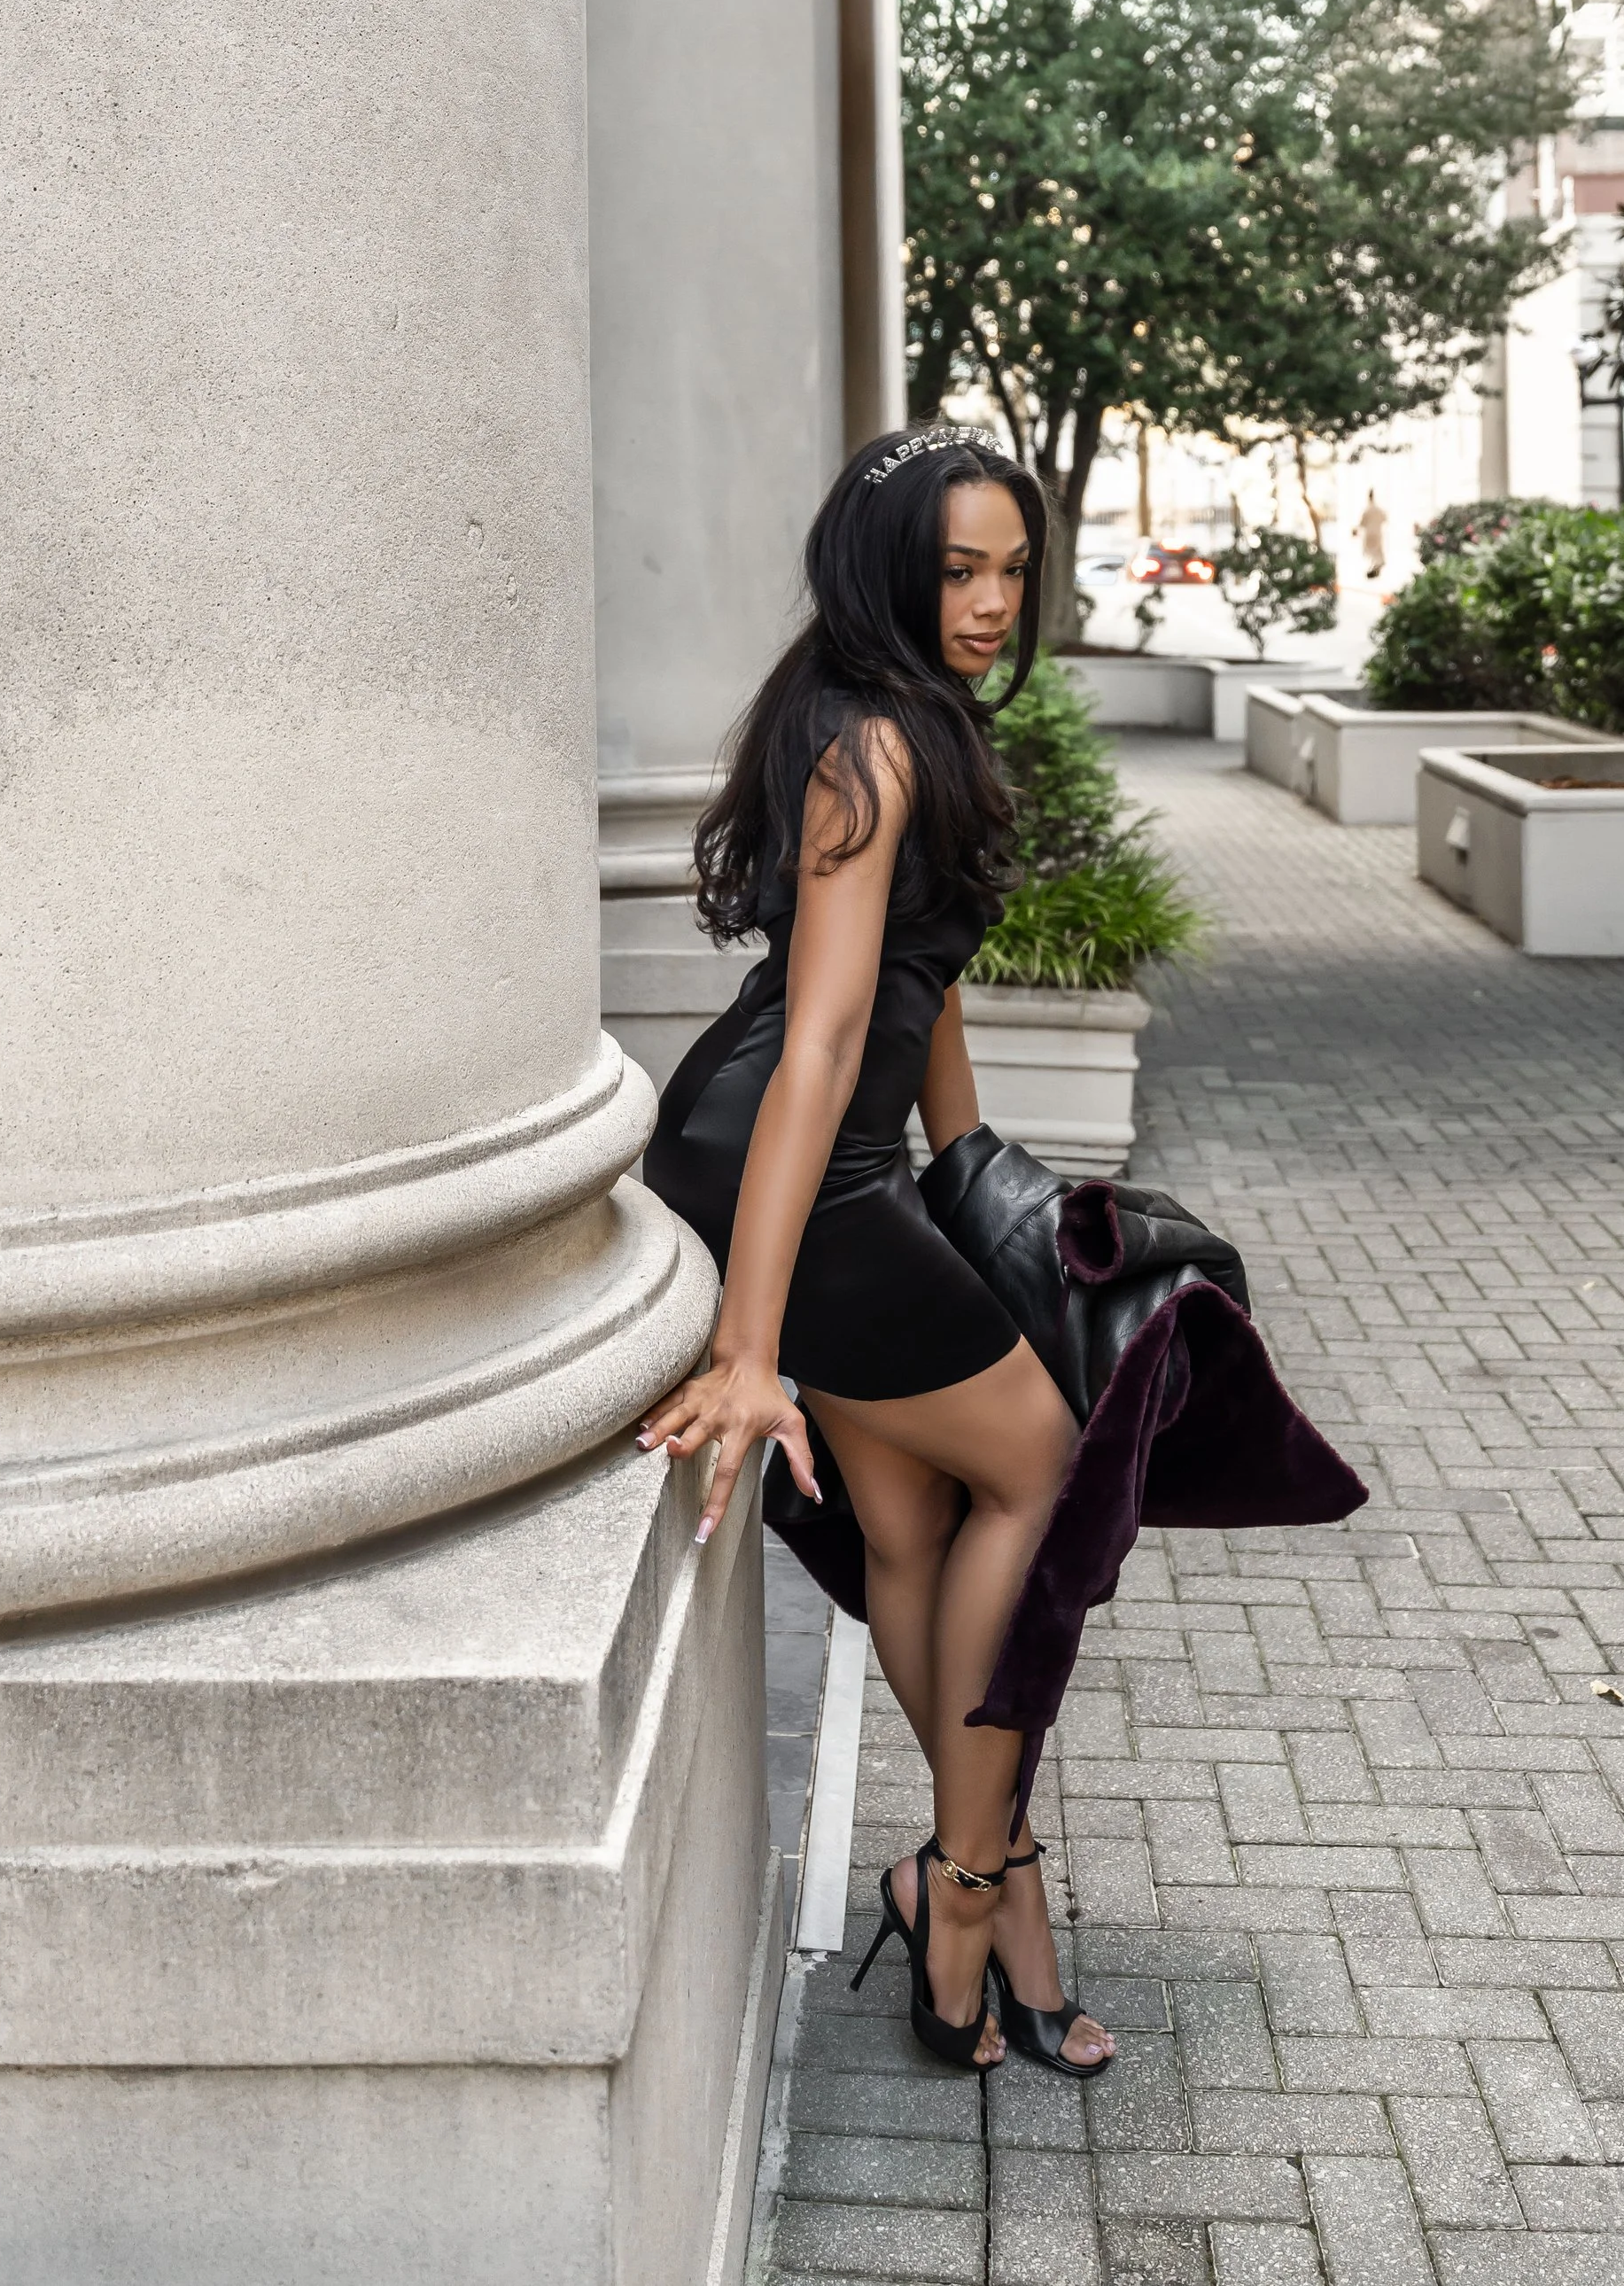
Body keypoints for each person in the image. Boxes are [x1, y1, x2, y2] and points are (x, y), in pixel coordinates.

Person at [638, 424, 1115, 2078]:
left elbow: (929, 976)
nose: (992, 602)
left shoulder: (893, 719)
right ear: (889, 575)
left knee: (910, 1521)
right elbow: (832, 1038)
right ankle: (972, 1883)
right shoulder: (872, 746)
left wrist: (971, 1169)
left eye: (1010, 570)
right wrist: (749, 1348)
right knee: (1043, 1461)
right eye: (957, 571)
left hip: (824, 1156)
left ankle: (987, 1888)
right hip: (797, 1158)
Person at [1355, 491, 1388, 581]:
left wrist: (1356, 530)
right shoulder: (1378, 510)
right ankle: (1376, 566)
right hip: (1377, 533)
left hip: (1369, 533)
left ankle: (1375, 566)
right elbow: (1385, 518)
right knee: (1376, 552)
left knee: (1371, 552)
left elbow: (1362, 522)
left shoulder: (1367, 510)